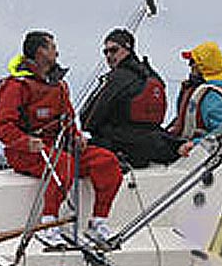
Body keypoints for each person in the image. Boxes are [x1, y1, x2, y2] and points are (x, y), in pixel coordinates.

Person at [0, 30, 122, 247]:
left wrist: (76, 137)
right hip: (26, 151)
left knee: (107, 162)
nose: (57, 51)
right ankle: (48, 223)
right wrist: (27, 142)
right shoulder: (17, 86)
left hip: (59, 146)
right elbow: (4, 127)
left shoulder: (60, 86)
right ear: (40, 51)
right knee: (63, 165)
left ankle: (98, 222)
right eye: (52, 47)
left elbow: (69, 120)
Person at [80, 28, 191, 169]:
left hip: (119, 145)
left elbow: (89, 120)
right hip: (153, 144)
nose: (108, 55)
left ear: (127, 49)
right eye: (105, 52)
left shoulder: (118, 78)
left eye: (114, 50)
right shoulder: (151, 75)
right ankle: (179, 147)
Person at [172, 41, 222, 139]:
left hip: (198, 151)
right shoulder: (195, 89)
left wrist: (194, 144)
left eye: (192, 62)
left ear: (202, 66)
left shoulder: (213, 95)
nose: (190, 66)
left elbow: (220, 134)